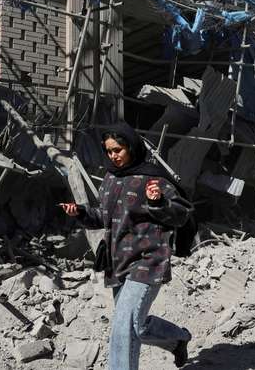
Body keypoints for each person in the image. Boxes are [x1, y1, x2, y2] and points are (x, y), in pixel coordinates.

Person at [60, 121, 193, 370]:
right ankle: (177, 339)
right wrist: (80, 212)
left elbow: (181, 214)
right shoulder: (111, 178)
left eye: (118, 150)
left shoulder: (153, 179)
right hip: (118, 262)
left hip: (148, 260)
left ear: (131, 147)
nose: (113, 156)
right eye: (109, 151)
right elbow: (103, 217)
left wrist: (158, 202)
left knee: (123, 326)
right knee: (135, 326)